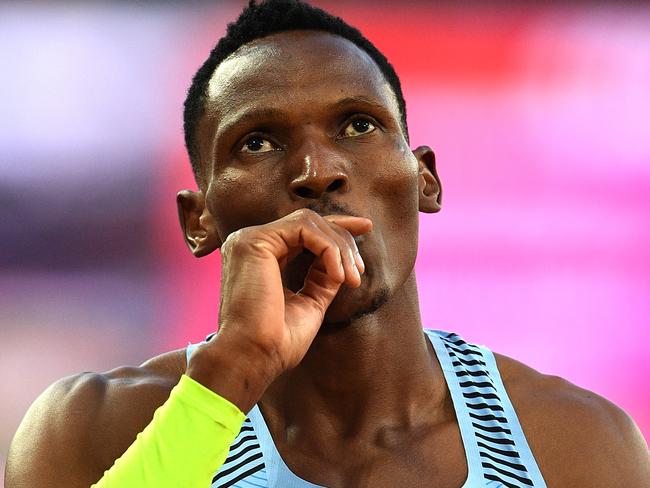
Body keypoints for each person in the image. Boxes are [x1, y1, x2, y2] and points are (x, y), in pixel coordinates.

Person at [5, 1, 649, 487]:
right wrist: (225, 382)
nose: (318, 170)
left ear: (425, 177)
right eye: (258, 141)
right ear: (197, 220)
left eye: (359, 125)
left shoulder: (577, 446)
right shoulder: (92, 429)